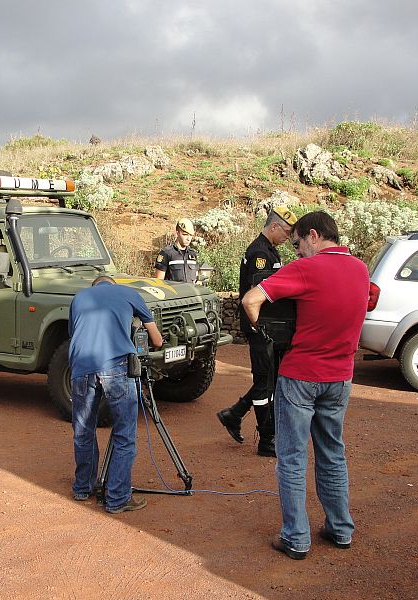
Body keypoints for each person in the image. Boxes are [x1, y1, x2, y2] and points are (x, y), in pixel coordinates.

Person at [242, 211, 369, 560]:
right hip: (340, 377)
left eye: (298, 243)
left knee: (292, 458)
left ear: (313, 235)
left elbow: (251, 299)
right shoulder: (360, 269)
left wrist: (264, 333)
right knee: (332, 453)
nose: (296, 251)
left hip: (301, 376)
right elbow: (368, 300)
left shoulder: (304, 269)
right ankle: (340, 529)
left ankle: (296, 537)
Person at [68, 275, 163, 513]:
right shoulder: (129, 293)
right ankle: (117, 498)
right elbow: (158, 340)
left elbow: (75, 332)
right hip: (116, 366)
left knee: (83, 430)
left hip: (81, 368)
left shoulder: (79, 297)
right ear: (112, 283)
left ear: (94, 285)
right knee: (124, 433)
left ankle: (82, 488)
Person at [216, 206, 297, 456]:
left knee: (268, 380)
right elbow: (261, 294)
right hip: (260, 326)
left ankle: (235, 413)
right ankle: (266, 439)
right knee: (264, 384)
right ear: (274, 226)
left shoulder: (269, 250)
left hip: (268, 328)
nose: (288, 238)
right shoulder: (260, 253)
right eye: (286, 231)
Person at [154, 218, 199, 283]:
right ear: (177, 233)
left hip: (191, 292)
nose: (188, 238)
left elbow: (196, 279)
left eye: (191, 235)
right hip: (173, 292)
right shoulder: (166, 253)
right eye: (185, 234)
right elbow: (159, 281)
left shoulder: (193, 254)